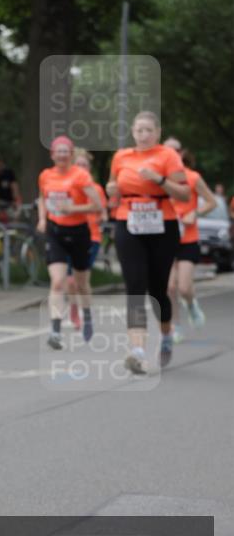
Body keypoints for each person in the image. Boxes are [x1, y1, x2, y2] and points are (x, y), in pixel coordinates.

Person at [106, 111, 189, 373]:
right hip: (128, 223)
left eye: (148, 130)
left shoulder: (168, 156)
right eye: (138, 130)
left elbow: (184, 193)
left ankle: (165, 336)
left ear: (157, 132)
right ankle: (138, 350)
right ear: (132, 132)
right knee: (135, 286)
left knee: (157, 290)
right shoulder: (121, 157)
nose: (143, 135)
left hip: (162, 225)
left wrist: (160, 180)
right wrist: (111, 190)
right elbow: (112, 185)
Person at [37, 136, 101, 348]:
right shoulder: (45, 176)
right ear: (52, 154)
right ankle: (55, 331)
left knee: (81, 283)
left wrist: (72, 208)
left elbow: (97, 205)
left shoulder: (80, 176)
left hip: (79, 233)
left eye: (66, 151)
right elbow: (42, 199)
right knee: (57, 282)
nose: (62, 155)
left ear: (71, 155)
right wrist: (42, 219)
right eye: (59, 151)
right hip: (55, 232)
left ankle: (87, 316)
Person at [168, 149, 217, 344]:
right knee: (169, 287)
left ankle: (191, 304)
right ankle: (176, 325)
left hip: (188, 238)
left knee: (184, 288)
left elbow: (211, 202)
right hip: (166, 239)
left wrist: (194, 214)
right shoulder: (162, 180)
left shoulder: (193, 177)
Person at [65, 148, 106, 331]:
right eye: (78, 164)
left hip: (91, 237)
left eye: (84, 165)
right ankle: (74, 310)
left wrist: (101, 216)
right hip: (69, 235)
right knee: (70, 281)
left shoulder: (95, 189)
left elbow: (102, 211)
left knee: (82, 281)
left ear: (89, 168)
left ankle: (86, 313)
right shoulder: (67, 185)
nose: (81, 167)